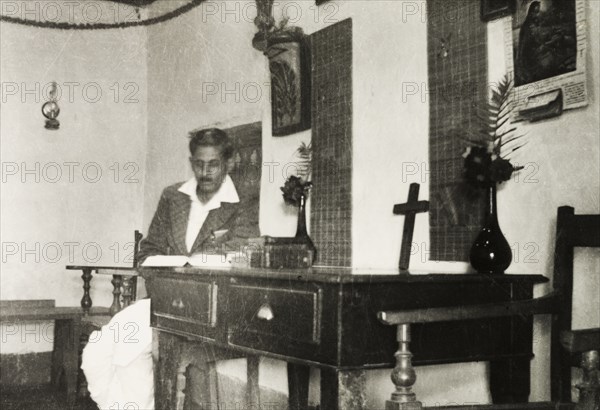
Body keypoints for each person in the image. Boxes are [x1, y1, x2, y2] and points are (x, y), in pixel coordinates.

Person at [81, 128, 260, 410]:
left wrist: (199, 263)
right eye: (198, 164)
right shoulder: (173, 197)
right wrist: (160, 271)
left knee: (129, 351)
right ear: (191, 162)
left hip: (214, 309)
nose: (205, 172)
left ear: (228, 163)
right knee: (98, 351)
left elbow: (243, 252)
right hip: (166, 301)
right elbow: (148, 249)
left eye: (213, 164)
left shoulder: (243, 202)